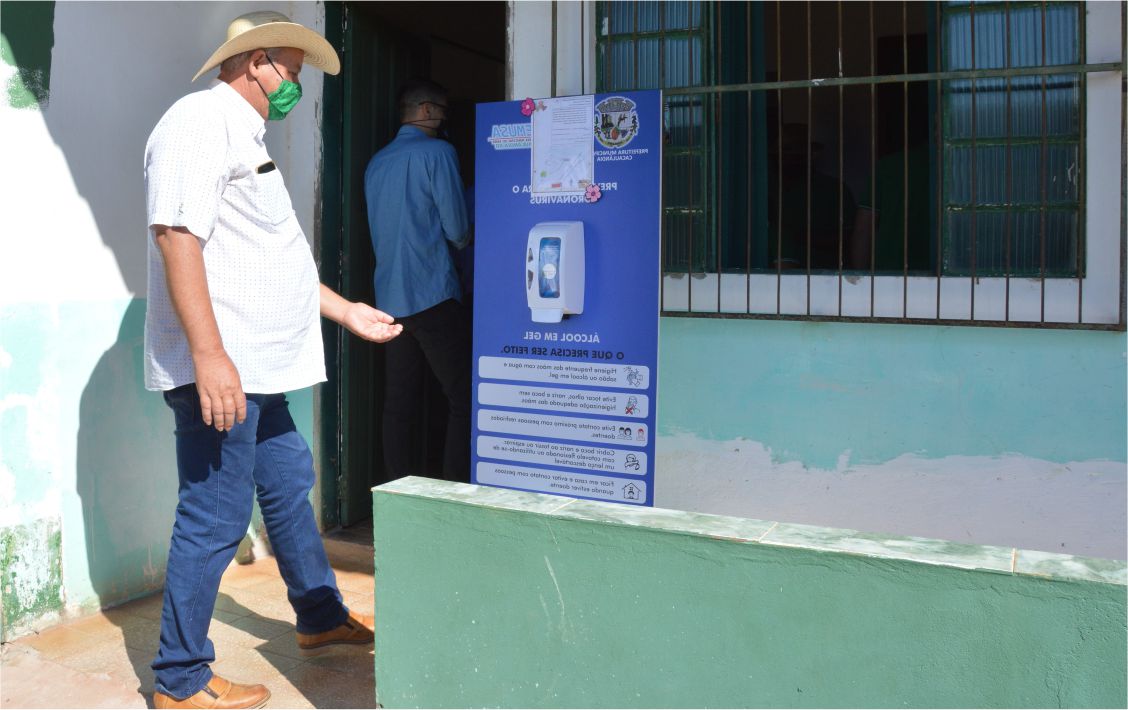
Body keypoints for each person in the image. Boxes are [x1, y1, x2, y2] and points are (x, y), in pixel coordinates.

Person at [144, 11, 403, 709]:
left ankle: (318, 617)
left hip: (263, 366)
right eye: (291, 70)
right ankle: (180, 679)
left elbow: (271, 260)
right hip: (226, 369)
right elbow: (176, 236)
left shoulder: (245, 134)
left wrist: (346, 310)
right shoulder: (198, 123)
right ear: (254, 62)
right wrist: (209, 357)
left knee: (288, 484)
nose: (294, 84)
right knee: (214, 516)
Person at [364, 79, 472, 483]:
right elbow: (457, 229)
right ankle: (455, 490)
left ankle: (396, 490)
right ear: (426, 110)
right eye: (443, 111)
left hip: (389, 300)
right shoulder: (439, 152)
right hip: (433, 293)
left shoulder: (377, 162)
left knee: (399, 403)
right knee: (463, 398)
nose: (445, 120)